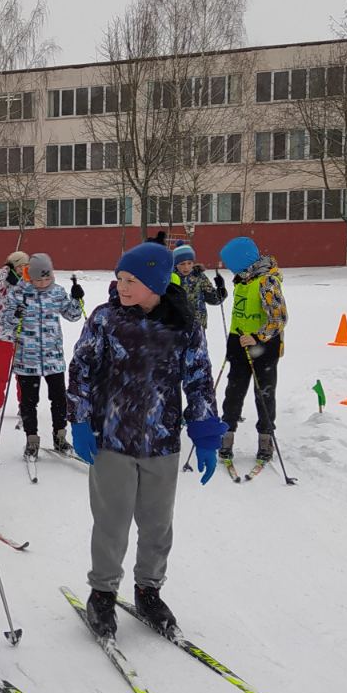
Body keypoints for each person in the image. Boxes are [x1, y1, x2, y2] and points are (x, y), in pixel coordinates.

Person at [67, 243, 224, 641]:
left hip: (162, 441)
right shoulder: (105, 319)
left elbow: (199, 378)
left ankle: (148, 590)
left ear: (154, 283)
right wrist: (81, 420)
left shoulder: (184, 325)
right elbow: (81, 367)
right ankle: (102, 593)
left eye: (130, 280)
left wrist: (205, 433)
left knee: (157, 525)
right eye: (119, 278)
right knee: (111, 524)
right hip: (112, 440)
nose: (121, 286)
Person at [0, 254, 84, 457]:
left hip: (53, 357)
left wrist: (76, 298)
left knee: (59, 399)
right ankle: (32, 440)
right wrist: (15, 314)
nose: (43, 283)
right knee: (29, 402)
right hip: (26, 359)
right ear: (30, 277)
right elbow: (6, 324)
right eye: (39, 279)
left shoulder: (57, 292)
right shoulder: (18, 293)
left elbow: (73, 316)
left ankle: (60, 436)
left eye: (47, 278)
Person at [217, 236, 287, 467]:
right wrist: (233, 344)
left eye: (230, 263)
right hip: (240, 346)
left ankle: (265, 439)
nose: (228, 268)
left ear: (242, 261)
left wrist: (257, 337)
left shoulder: (267, 281)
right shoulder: (242, 280)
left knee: (264, 393)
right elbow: (239, 317)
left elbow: (279, 318)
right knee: (233, 393)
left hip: (264, 347)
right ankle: (226, 436)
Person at [0, 250, 29, 421]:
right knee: (1, 372)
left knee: (22, 373)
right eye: (20, 266)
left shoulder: (27, 281)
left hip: (23, 332)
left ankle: (24, 405)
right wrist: (6, 271)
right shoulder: (3, 280)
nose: (23, 269)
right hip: (4, 332)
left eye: (26, 266)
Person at [171, 245, 227, 331]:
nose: (186, 267)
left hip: (198, 325)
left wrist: (221, 288)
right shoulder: (170, 278)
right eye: (182, 264)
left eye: (189, 263)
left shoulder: (199, 277)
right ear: (175, 264)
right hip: (176, 326)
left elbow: (214, 299)